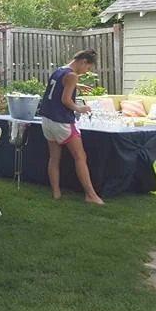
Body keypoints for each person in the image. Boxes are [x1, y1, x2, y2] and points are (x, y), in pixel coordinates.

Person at [40, 48, 105, 205]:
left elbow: (60, 86)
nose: (86, 71)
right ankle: (90, 195)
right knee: (80, 157)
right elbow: (65, 100)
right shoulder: (72, 76)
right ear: (83, 62)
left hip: (47, 120)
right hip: (62, 121)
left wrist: (77, 85)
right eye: (88, 68)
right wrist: (79, 109)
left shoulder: (60, 70)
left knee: (54, 157)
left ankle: (56, 193)